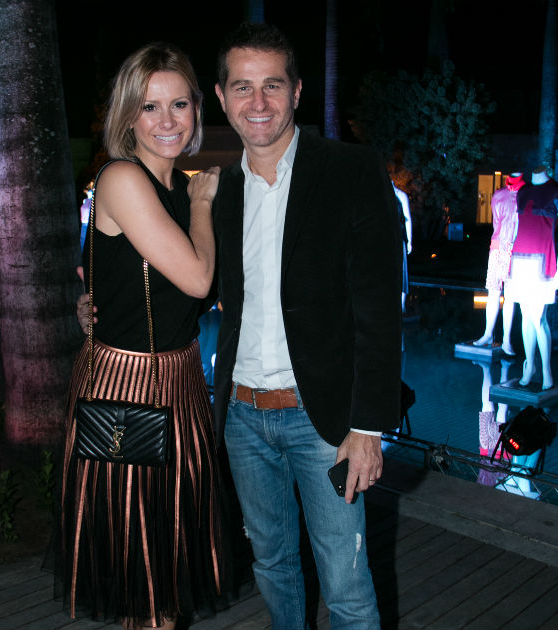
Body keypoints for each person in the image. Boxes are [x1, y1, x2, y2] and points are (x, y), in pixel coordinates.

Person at [211, 22, 402, 630]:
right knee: (272, 565)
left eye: (272, 85)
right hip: (242, 416)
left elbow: (380, 308)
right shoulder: (220, 192)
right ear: (222, 97)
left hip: (324, 422)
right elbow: (200, 288)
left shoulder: (350, 170)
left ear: (296, 91)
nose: (257, 102)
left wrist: (367, 427)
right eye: (242, 87)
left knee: (347, 588)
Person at [55, 43, 228, 630]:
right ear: (128, 115)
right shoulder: (123, 178)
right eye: (149, 106)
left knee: (168, 563)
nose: (167, 120)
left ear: (196, 108)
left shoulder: (176, 187)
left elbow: (131, 280)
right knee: (144, 569)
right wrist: (203, 204)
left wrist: (92, 304)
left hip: (180, 382)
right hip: (127, 389)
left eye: (179, 103)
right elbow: (198, 278)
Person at [505, 166, 558, 390]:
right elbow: (517, 228)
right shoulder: (523, 192)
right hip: (520, 260)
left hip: (543, 262)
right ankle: (529, 366)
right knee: (526, 317)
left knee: (538, 318)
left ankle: (546, 370)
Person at [472, 173, 524, 355]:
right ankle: (488, 334)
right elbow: (497, 222)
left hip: (515, 250)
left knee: (510, 295)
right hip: (497, 247)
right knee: (493, 292)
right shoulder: (499, 194)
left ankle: (507, 340)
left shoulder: (525, 193)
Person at [393, 181, 412, 312]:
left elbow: (407, 218)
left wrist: (409, 240)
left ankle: (401, 305)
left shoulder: (400, 195)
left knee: (401, 271)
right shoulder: (379, 194)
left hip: (398, 238)